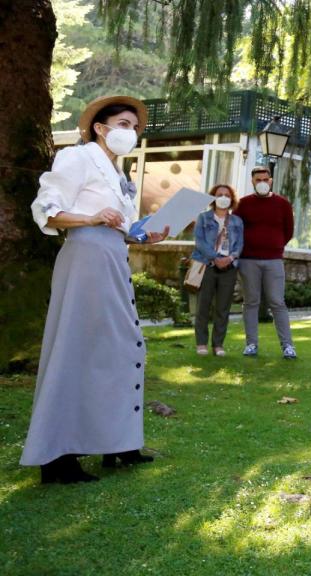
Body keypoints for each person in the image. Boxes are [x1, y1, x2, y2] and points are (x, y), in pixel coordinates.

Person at [22, 95, 170, 483]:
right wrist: (90, 217)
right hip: (85, 257)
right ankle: (56, 456)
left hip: (113, 258)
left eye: (135, 127)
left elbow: (121, 227)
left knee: (122, 345)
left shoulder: (120, 177)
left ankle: (118, 442)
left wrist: (146, 236)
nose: (131, 132)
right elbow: (48, 209)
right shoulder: (78, 157)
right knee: (78, 347)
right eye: (123, 124)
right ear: (100, 128)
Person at [234, 166, 297, 359]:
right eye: (257, 180)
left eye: (265, 179)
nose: (262, 182)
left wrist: (274, 246)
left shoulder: (283, 204)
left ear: (270, 180)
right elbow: (235, 229)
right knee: (251, 302)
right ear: (252, 182)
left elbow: (288, 231)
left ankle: (288, 346)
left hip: (273, 260)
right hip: (248, 260)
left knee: (277, 302)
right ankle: (251, 344)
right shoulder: (243, 204)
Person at [192, 184, 245, 357]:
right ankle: (201, 343)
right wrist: (215, 257)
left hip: (229, 268)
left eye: (227, 195)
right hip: (208, 265)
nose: (223, 197)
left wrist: (230, 258)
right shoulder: (203, 218)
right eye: (219, 194)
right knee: (203, 307)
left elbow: (240, 244)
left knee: (223, 308)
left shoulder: (237, 221)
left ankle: (218, 345)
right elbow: (200, 242)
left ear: (231, 200)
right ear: (213, 198)